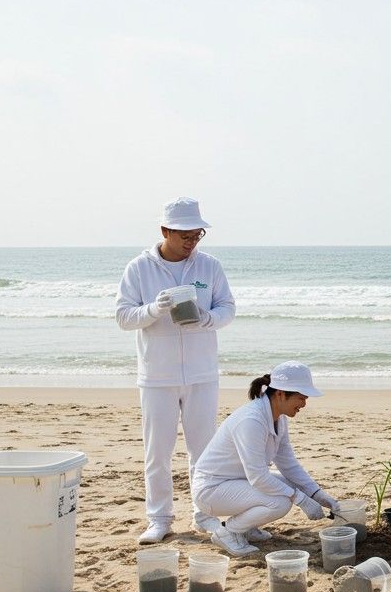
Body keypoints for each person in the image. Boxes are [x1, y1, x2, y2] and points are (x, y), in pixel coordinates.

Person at [115, 197, 236, 544]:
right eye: (185, 235)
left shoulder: (209, 266)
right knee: (158, 453)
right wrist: (154, 309)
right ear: (165, 230)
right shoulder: (139, 268)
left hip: (202, 373)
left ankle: (205, 514)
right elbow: (124, 316)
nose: (192, 241)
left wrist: (207, 318)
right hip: (157, 376)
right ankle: (159, 519)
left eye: (197, 235)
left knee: (204, 452)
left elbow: (228, 307)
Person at [192, 362, 340, 556]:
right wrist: (301, 499)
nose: (304, 404)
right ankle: (228, 531)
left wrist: (318, 495)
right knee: (280, 502)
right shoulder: (251, 420)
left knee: (288, 483)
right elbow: (258, 477)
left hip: (237, 481)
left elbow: (288, 464)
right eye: (301, 397)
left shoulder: (279, 417)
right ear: (280, 394)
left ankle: (246, 527)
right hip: (212, 490)